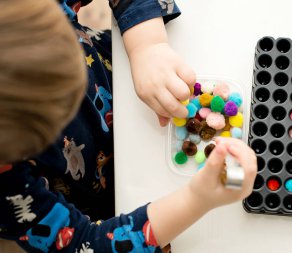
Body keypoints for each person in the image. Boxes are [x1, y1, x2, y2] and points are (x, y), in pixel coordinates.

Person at [0, 0, 257, 252]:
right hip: (107, 198)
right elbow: (84, 243)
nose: (79, 99)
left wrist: (146, 45)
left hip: (134, 78)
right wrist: (198, 199)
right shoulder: (6, 194)